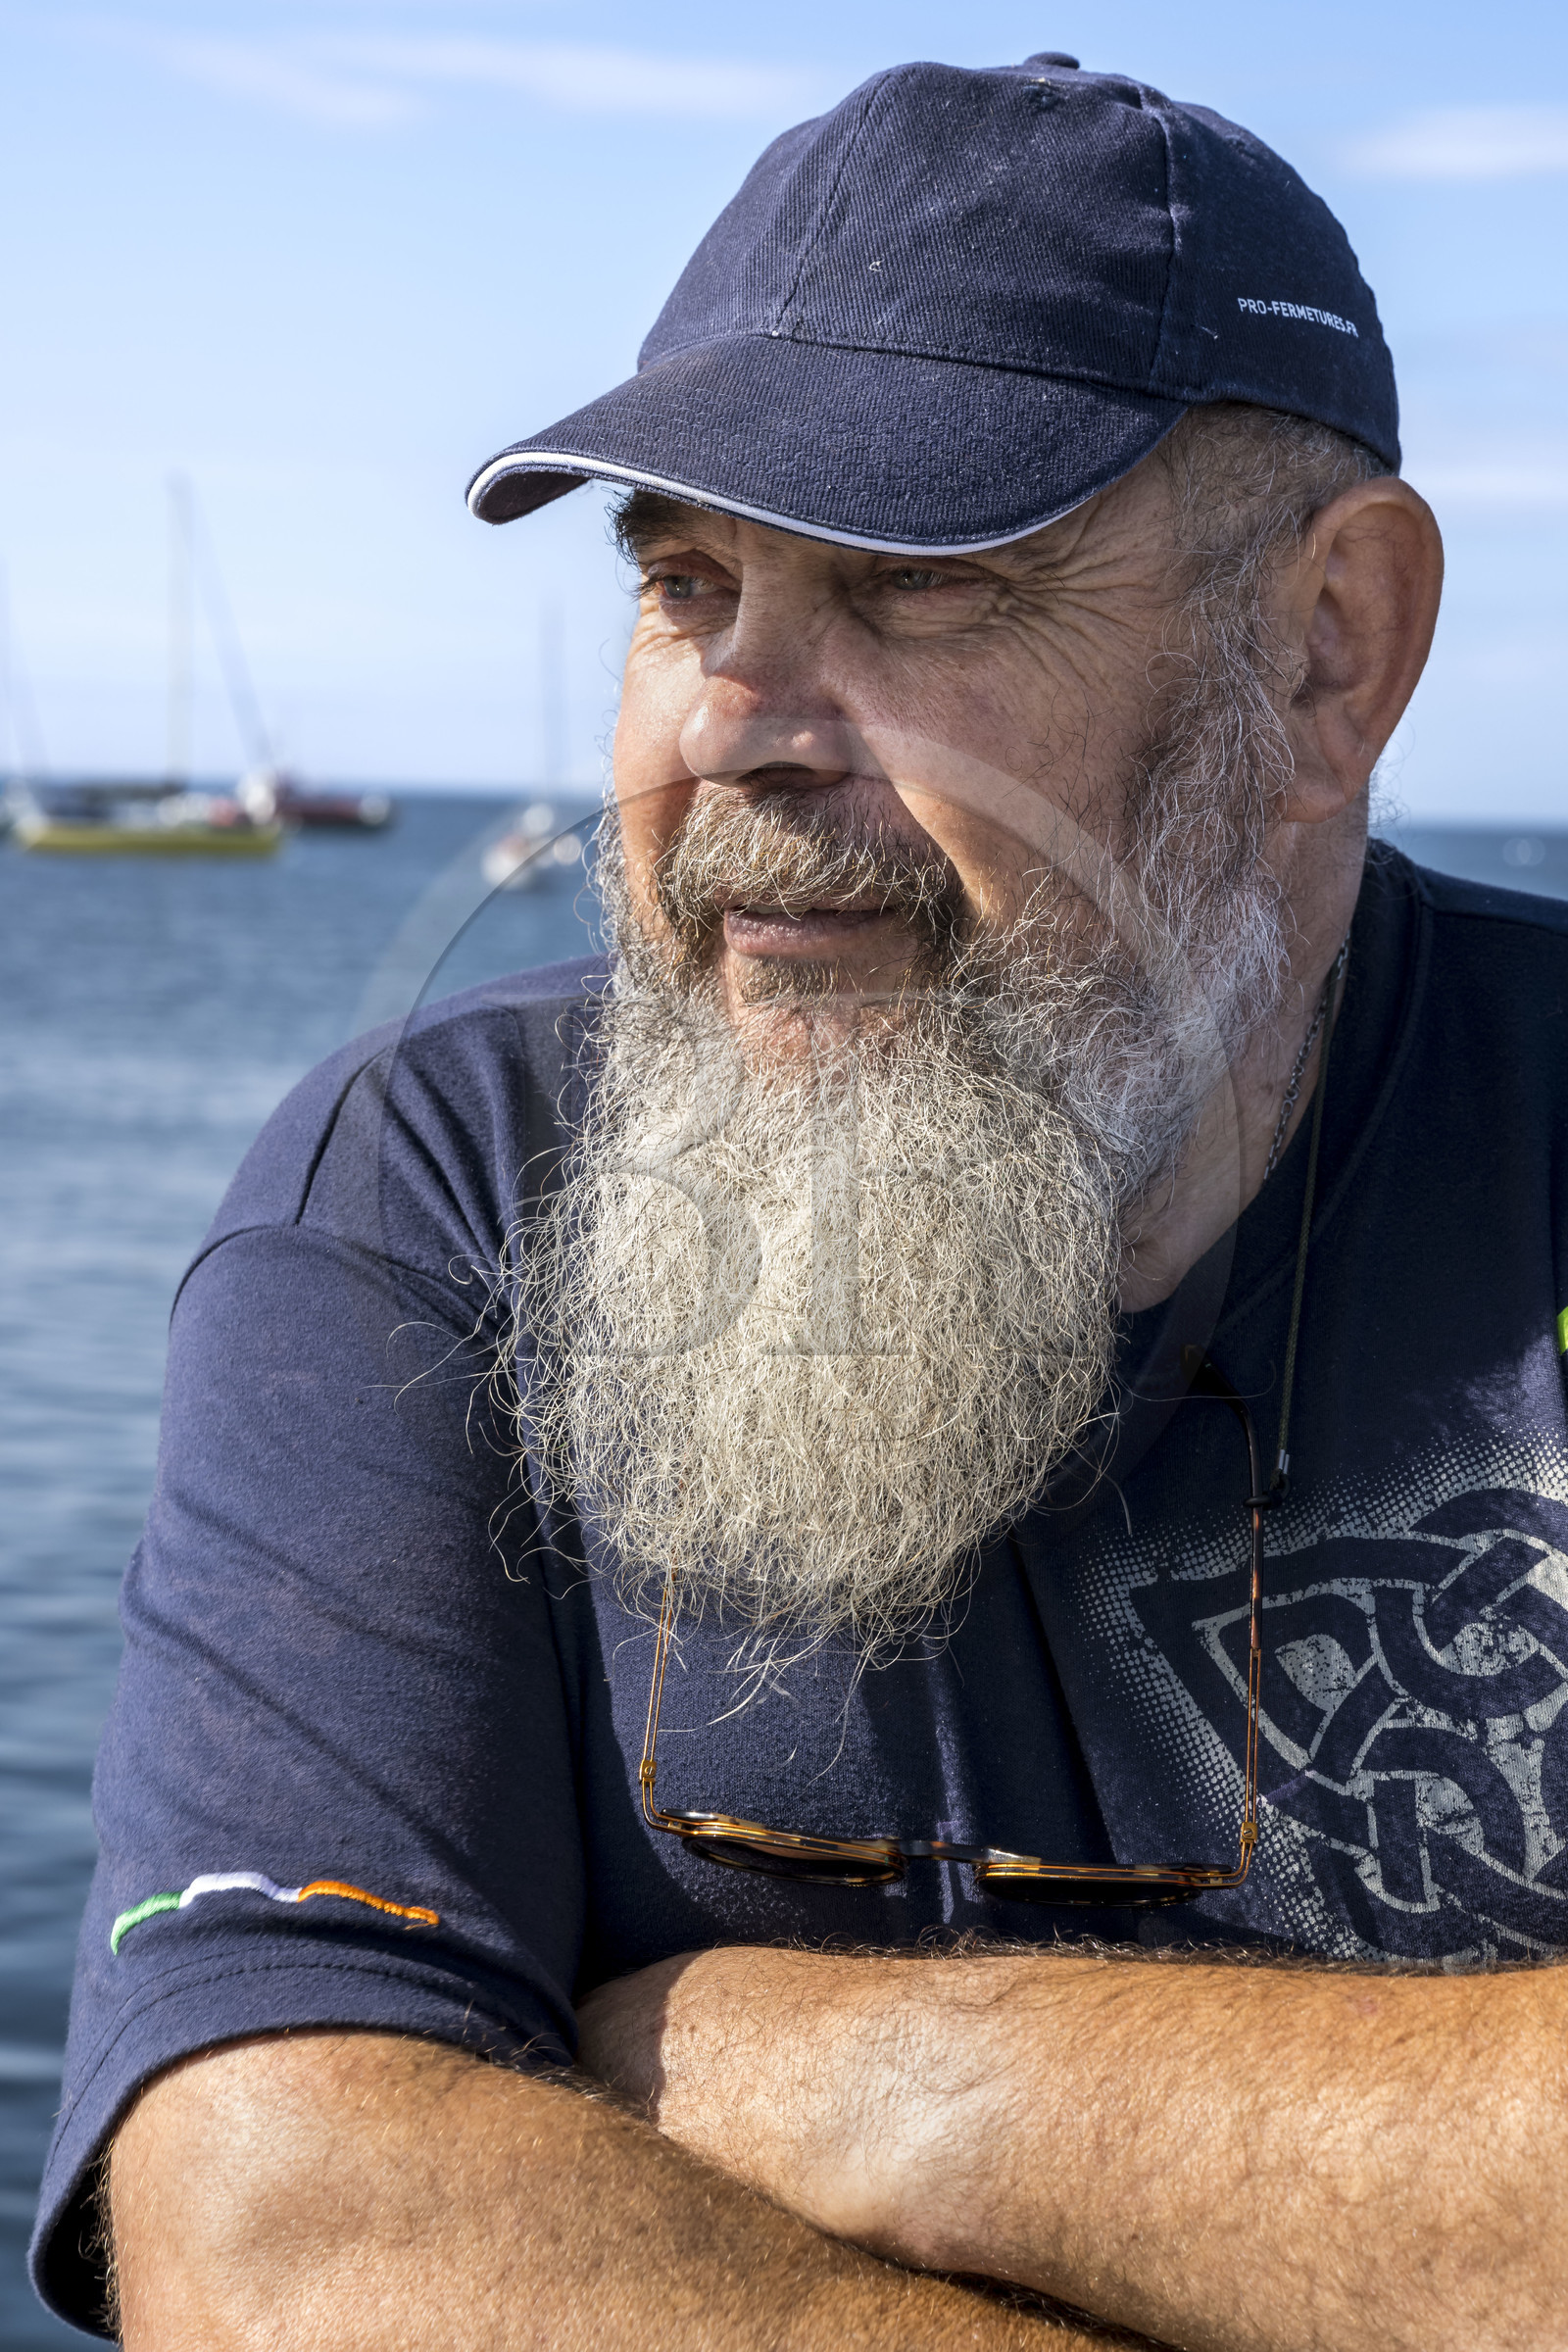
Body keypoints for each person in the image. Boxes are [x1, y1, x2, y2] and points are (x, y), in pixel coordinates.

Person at [32, 53, 1568, 2351]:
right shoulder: (433, 1198)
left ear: (1321, 648)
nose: (734, 723)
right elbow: (282, 2235)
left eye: (918, 585)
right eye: (682, 584)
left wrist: (857, 2072)